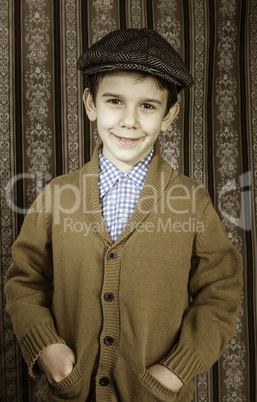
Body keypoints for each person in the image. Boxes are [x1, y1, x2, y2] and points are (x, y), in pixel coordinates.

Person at [5, 28, 243, 401]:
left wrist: (177, 369)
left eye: (148, 106)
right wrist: (46, 346)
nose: (129, 120)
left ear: (168, 115)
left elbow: (221, 291)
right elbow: (25, 279)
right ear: (91, 104)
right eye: (115, 101)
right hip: (71, 391)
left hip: (153, 393)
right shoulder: (57, 195)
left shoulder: (192, 201)